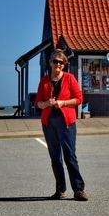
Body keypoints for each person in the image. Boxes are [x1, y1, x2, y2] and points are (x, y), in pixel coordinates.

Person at [35, 49, 88, 201]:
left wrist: (63, 102)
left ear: (64, 64)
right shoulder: (44, 81)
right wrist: (46, 103)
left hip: (67, 123)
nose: (57, 64)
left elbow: (79, 99)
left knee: (70, 156)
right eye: (55, 61)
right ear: (50, 63)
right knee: (55, 158)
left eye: (60, 62)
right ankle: (60, 190)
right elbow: (37, 103)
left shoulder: (70, 78)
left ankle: (79, 190)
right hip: (49, 124)